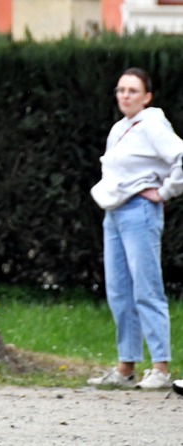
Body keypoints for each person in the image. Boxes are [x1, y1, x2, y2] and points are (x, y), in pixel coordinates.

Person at [88, 67, 183, 389]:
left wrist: (166, 191)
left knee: (147, 288)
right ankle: (125, 368)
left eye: (132, 90)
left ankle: (160, 368)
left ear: (147, 97)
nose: (125, 96)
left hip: (140, 212)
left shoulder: (154, 125)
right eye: (120, 90)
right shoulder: (120, 128)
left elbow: (181, 156)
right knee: (119, 290)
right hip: (114, 213)